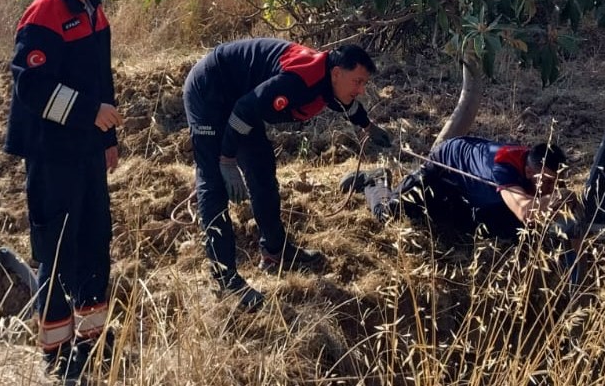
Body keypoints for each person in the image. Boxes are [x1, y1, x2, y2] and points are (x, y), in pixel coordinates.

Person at [182, 38, 392, 309]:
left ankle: (275, 251)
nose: (361, 90)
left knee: (261, 169)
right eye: (358, 82)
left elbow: (345, 104)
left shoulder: (330, 78)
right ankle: (225, 280)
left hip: (243, 99)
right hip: (210, 89)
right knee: (214, 183)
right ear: (338, 73)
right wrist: (226, 159)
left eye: (365, 83)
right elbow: (245, 110)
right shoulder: (299, 81)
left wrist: (368, 126)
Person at [5, 0, 123, 383]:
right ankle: (57, 352)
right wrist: (90, 113)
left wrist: (106, 137)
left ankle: (93, 339)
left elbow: (102, 79)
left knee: (95, 239)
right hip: (52, 153)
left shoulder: (94, 9)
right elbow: (30, 87)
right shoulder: (44, 14)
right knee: (55, 250)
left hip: (87, 150)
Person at [342, 135, 567, 241]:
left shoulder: (538, 167)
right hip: (444, 169)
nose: (551, 188)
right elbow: (526, 212)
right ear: (528, 172)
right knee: (389, 213)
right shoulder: (504, 167)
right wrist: (559, 199)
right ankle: (376, 180)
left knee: (501, 235)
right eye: (547, 182)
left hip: (477, 193)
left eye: (556, 182)